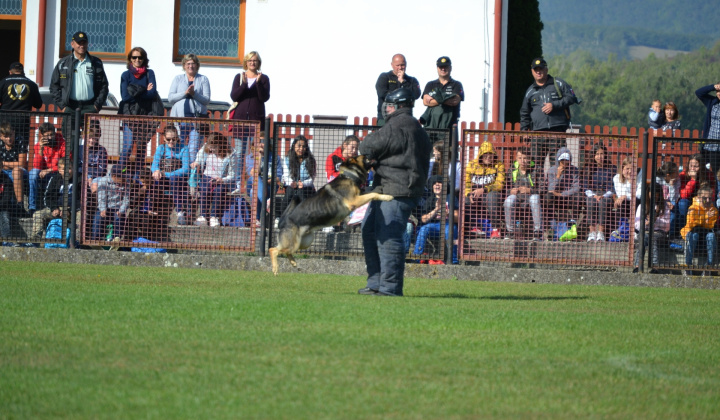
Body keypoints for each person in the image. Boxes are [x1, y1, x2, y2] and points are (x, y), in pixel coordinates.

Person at [358, 88, 431, 297]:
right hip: (391, 188)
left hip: (395, 190)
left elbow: (369, 145)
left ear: (399, 106)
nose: (386, 109)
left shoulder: (396, 125)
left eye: (390, 105)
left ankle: (389, 287)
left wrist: (369, 154)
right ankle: (377, 283)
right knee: (369, 231)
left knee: (388, 237)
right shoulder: (414, 126)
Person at [520, 57, 579, 166]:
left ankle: (556, 183)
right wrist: (524, 130)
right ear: (532, 71)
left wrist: (554, 105)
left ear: (546, 70)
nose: (538, 72)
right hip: (537, 134)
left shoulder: (558, 83)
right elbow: (524, 113)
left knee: (557, 164)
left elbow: (571, 98)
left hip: (557, 132)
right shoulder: (530, 91)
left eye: (541, 69)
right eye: (536, 69)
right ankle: (537, 183)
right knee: (535, 165)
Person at [49, 31, 109, 136]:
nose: (82, 45)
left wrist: (96, 106)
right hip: (70, 108)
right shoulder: (63, 63)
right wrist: (63, 106)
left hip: (90, 107)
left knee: (91, 142)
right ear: (72, 44)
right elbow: (54, 87)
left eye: (84, 43)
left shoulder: (96, 63)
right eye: (79, 43)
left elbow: (104, 86)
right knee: (70, 143)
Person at [118, 47, 159, 172]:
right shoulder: (126, 75)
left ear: (144, 59)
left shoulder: (149, 73)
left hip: (145, 114)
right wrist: (144, 90)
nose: (137, 60)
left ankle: (138, 176)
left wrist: (135, 92)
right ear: (130, 59)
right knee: (128, 146)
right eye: (134, 57)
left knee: (141, 147)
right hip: (129, 114)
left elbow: (152, 94)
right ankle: (120, 172)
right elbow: (125, 97)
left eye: (140, 57)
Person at [230, 50, 270, 169]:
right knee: (239, 153)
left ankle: (254, 180)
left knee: (256, 152)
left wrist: (258, 84)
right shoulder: (239, 77)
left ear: (258, 63)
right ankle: (237, 182)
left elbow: (264, 97)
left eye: (255, 60)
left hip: (256, 121)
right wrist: (244, 85)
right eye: (250, 60)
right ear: (246, 62)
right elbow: (234, 96)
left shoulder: (264, 79)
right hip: (240, 120)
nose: (252, 63)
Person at [168, 53, 211, 158]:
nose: (190, 66)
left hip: (196, 121)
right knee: (179, 147)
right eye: (188, 63)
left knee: (193, 149)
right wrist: (185, 93)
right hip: (180, 120)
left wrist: (194, 94)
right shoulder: (178, 79)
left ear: (197, 65)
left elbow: (206, 100)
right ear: (184, 66)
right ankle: (179, 171)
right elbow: (171, 98)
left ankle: (190, 174)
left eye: (193, 63)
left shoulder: (203, 79)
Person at [190, 133, 237, 227]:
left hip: (221, 179)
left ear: (221, 145)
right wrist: (196, 162)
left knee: (219, 190)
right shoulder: (206, 148)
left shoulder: (231, 154)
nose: (211, 150)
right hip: (207, 176)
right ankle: (203, 216)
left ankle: (214, 217)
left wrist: (222, 180)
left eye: (214, 147)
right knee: (203, 188)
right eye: (210, 147)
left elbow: (233, 174)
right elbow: (199, 157)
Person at [412, 175, 459, 264]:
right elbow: (423, 219)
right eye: (435, 183)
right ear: (432, 186)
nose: (437, 185)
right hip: (433, 226)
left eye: (440, 183)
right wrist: (435, 210)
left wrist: (448, 213)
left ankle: (453, 260)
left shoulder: (451, 198)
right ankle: (416, 258)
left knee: (450, 231)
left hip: (447, 224)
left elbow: (458, 218)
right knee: (423, 229)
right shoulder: (429, 199)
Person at [29, 157, 76, 244]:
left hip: (73, 210)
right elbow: (48, 196)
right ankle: (35, 240)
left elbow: (81, 200)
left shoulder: (79, 179)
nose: (66, 172)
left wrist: (69, 210)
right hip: (57, 208)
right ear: (59, 170)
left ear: (73, 168)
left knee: (81, 218)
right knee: (38, 214)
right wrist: (54, 208)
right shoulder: (55, 179)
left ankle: (76, 242)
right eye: (63, 169)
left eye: (69, 169)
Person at [464, 140, 505, 238]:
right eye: (485, 154)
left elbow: (500, 184)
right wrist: (468, 193)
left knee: (492, 197)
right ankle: (473, 227)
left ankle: (496, 229)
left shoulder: (499, 165)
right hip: (475, 192)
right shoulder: (472, 165)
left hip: (490, 193)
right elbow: (466, 183)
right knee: (467, 199)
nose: (488, 157)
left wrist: (484, 190)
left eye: (491, 154)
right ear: (481, 155)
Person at [151, 126, 190, 225]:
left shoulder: (184, 148)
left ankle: (180, 212)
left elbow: (185, 169)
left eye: (174, 139)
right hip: (163, 178)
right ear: (164, 138)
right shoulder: (161, 148)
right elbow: (154, 164)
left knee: (174, 178)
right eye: (168, 139)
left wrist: (167, 174)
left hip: (178, 179)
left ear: (177, 138)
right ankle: (152, 209)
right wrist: (156, 171)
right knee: (154, 181)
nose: (171, 141)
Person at [503, 147, 543, 240]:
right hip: (517, 198)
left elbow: (543, 188)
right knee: (509, 201)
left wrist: (530, 190)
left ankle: (538, 232)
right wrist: (510, 191)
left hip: (531, 197)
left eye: (525, 158)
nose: (523, 161)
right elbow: (505, 188)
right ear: (516, 158)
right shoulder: (512, 169)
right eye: (520, 158)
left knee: (535, 199)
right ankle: (510, 232)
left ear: (529, 158)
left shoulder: (537, 169)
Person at [29, 123, 66, 214]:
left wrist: (49, 170)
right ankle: (32, 207)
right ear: (42, 136)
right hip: (43, 175)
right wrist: (41, 149)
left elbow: (66, 164)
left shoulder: (63, 144)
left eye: (51, 135)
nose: (49, 138)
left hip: (57, 174)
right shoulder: (38, 145)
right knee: (33, 173)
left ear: (55, 133)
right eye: (46, 136)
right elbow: (37, 166)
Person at [633, 183, 671, 272]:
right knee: (643, 238)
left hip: (660, 233)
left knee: (652, 238)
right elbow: (636, 225)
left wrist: (655, 220)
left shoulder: (665, 206)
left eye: (656, 195)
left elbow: (667, 225)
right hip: (645, 232)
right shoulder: (642, 206)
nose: (654, 197)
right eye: (652, 195)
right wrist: (646, 223)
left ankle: (655, 266)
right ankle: (638, 266)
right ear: (648, 194)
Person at [0, 62, 42, 141]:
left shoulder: (3, 82)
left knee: (4, 145)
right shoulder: (31, 84)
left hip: (5, 119)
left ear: (10, 72)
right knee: (21, 145)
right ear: (22, 71)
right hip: (23, 120)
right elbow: (38, 104)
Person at [375, 54, 421, 125]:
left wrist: (403, 82)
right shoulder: (384, 77)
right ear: (392, 65)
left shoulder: (412, 80)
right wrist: (401, 97)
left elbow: (416, 95)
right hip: (386, 117)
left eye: (402, 65)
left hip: (405, 117)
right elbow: (382, 93)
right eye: (397, 65)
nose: (400, 68)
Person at [680, 185, 718, 273]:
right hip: (692, 233)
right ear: (699, 197)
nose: (708, 201)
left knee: (711, 236)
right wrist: (705, 217)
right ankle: (688, 265)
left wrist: (701, 219)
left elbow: (710, 226)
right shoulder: (692, 208)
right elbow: (691, 224)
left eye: (710, 198)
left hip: (706, 234)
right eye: (705, 198)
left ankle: (709, 266)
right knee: (694, 235)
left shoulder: (714, 210)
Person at [419, 56, 464, 129]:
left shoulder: (457, 84)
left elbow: (454, 101)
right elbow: (425, 102)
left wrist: (435, 99)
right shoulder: (430, 84)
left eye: (446, 66)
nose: (443, 69)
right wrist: (445, 99)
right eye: (441, 67)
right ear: (437, 68)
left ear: (450, 68)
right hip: (432, 125)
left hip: (450, 125)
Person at [583, 144, 616, 242]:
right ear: (593, 155)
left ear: (605, 155)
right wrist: (594, 195)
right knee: (590, 202)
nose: (599, 156)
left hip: (606, 194)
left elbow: (612, 186)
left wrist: (603, 195)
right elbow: (585, 186)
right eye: (597, 154)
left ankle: (601, 232)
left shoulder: (611, 168)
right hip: (592, 194)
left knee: (603, 202)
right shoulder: (588, 168)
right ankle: (592, 233)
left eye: (602, 154)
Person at [546, 147, 581, 239]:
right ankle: (552, 225)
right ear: (558, 160)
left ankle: (573, 222)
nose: (565, 163)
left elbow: (576, 188)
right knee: (548, 197)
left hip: (568, 197)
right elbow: (550, 189)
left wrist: (562, 194)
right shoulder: (551, 170)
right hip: (555, 198)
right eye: (562, 160)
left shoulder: (574, 170)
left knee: (578, 196)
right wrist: (558, 176)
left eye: (567, 160)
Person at [245, 139, 282, 225]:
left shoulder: (275, 157)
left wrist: (267, 181)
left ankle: (256, 219)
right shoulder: (249, 158)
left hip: (269, 186)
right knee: (255, 179)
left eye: (263, 141)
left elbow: (279, 177)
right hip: (254, 183)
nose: (261, 144)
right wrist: (260, 157)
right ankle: (266, 203)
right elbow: (254, 173)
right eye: (259, 141)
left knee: (253, 192)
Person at [678, 154, 715, 233]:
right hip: (688, 202)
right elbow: (683, 195)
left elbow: (712, 193)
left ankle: (708, 230)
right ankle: (683, 231)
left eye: (696, 166)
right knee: (682, 203)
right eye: (691, 165)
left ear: (701, 166)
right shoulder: (683, 175)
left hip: (703, 201)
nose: (692, 168)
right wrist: (693, 180)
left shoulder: (708, 174)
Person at [280, 135, 316, 215]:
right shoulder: (287, 159)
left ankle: (306, 216)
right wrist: (291, 183)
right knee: (289, 192)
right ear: (294, 146)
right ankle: (280, 217)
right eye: (299, 146)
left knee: (301, 192)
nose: (301, 149)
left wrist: (303, 184)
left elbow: (312, 178)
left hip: (306, 188)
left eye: (304, 147)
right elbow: (285, 176)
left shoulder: (310, 160)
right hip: (292, 185)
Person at [93, 165, 130, 242]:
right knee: (98, 219)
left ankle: (116, 239)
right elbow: (101, 197)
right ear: (114, 176)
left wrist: (121, 210)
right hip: (106, 207)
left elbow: (126, 199)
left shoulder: (126, 183)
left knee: (119, 219)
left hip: (118, 208)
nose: (124, 179)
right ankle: (95, 240)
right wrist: (103, 209)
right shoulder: (103, 181)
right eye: (122, 177)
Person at [0, 122, 28, 216]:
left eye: (11, 135)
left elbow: (21, 164)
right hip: (3, 171)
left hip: (20, 172)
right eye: (6, 136)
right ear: (1, 137)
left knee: (16, 171)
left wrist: (3, 163)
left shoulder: (20, 141)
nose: (9, 138)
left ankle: (20, 205)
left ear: (14, 132)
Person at [695, 83, 720, 172]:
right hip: (713, 145)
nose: (719, 93)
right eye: (718, 91)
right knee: (716, 172)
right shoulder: (712, 102)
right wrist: (713, 87)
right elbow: (699, 93)